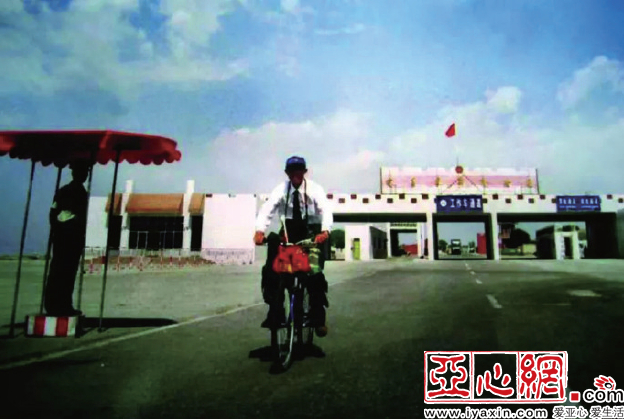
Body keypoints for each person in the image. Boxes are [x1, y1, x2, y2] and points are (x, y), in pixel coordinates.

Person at [254, 156, 333, 337]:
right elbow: (267, 209)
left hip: (312, 232)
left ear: (305, 172)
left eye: (299, 170)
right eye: (291, 171)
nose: (295, 174)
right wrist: (259, 230)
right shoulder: (280, 189)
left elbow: (325, 210)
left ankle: (317, 316)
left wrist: (325, 231)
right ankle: (275, 311)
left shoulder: (315, 189)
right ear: (287, 173)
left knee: (314, 271)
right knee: (272, 269)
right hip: (288, 232)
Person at [44, 160, 90, 316]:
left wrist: (56, 230)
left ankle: (55, 304)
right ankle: (61, 304)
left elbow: (53, 213)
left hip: (62, 237)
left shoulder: (64, 190)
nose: (84, 175)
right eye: (83, 172)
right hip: (70, 239)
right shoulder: (76, 192)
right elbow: (71, 216)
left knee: (58, 271)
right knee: (65, 273)